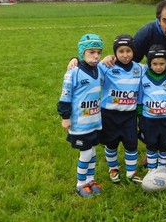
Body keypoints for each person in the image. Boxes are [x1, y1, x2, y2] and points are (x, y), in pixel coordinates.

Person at [57, 34, 104, 198]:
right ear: (82, 52)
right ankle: (80, 183)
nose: (96, 56)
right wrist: (65, 117)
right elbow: (65, 97)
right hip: (80, 124)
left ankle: (90, 180)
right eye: (91, 52)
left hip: (95, 122)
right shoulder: (73, 73)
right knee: (85, 153)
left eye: (99, 52)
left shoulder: (99, 70)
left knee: (92, 152)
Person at [98, 34, 145, 184]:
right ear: (115, 53)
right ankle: (113, 168)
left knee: (131, 144)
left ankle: (131, 173)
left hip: (129, 115)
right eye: (121, 51)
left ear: (134, 52)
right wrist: (74, 59)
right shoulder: (106, 67)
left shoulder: (140, 68)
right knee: (111, 144)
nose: (125, 55)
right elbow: (88, 67)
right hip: (109, 114)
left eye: (128, 51)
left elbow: (160, 66)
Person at [137, 45, 166, 172]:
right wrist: (140, 116)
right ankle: (151, 169)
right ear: (149, 64)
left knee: (165, 144)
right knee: (151, 144)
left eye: (162, 63)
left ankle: (162, 167)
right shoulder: (143, 79)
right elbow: (139, 98)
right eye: (155, 63)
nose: (159, 67)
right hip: (149, 119)